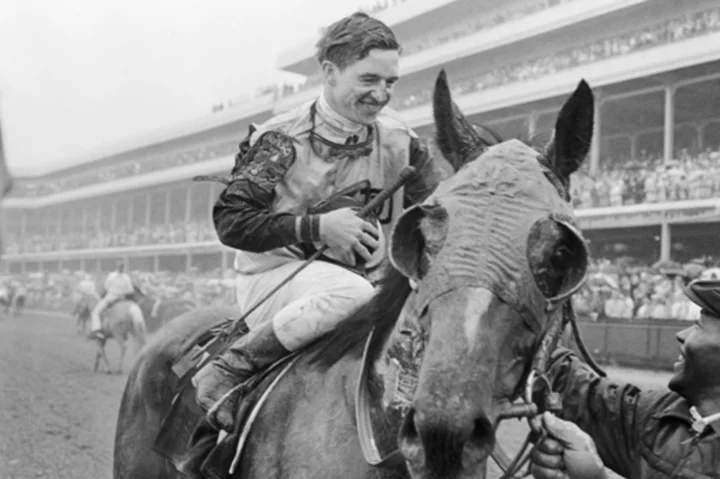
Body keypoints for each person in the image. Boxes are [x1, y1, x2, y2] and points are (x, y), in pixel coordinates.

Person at [192, 11, 446, 430]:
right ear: (330, 72)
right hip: (275, 280)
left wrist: (404, 245)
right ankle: (230, 369)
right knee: (352, 294)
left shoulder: (404, 141)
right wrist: (318, 228)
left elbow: (433, 216)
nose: (382, 94)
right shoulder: (279, 139)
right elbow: (231, 221)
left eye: (390, 83)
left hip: (370, 281)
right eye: (369, 80)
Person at [531, 278, 720, 478]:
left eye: (698, 327)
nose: (682, 334)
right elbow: (582, 395)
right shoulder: (660, 414)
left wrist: (598, 476)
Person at [89, 261, 134, 340]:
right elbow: (131, 290)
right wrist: (122, 293)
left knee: (95, 312)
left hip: (111, 297)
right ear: (123, 268)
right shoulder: (126, 277)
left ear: (117, 267)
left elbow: (106, 287)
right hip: (122, 298)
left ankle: (97, 330)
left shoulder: (111, 275)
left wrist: (114, 291)